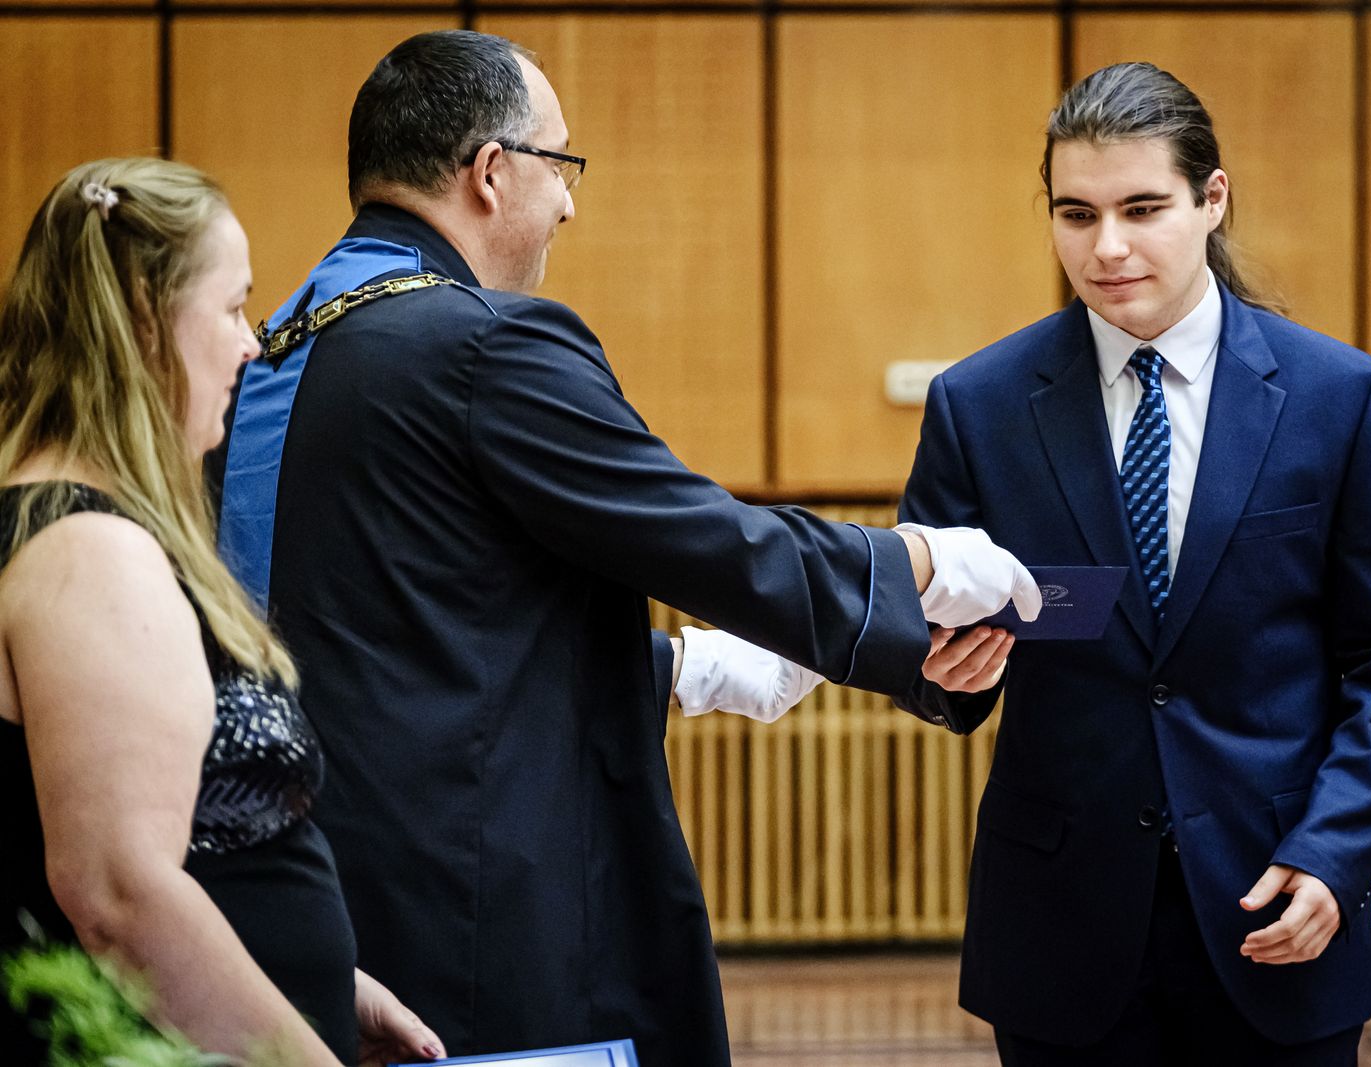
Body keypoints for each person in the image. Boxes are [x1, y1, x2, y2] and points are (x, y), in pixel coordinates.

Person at [209, 30, 1038, 1067]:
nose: (568, 204)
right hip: (483, 932)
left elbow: (384, 638)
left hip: (310, 910)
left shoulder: (269, 355)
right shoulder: (485, 343)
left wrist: (680, 669)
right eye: (560, 165)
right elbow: (705, 536)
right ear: (492, 171)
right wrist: (918, 567)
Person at [896, 62, 1371, 1065]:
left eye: (1142, 208)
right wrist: (937, 672)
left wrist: (1334, 851)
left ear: (1212, 199)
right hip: (1062, 923)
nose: (1106, 246)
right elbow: (936, 656)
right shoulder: (977, 405)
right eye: (1076, 214)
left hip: (1275, 897)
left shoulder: (1339, 395)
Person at [0, 158, 443, 1066]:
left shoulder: (78, 527)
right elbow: (119, 895)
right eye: (233, 307)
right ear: (144, 317)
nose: (251, 345)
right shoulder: (88, 552)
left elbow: (196, 851)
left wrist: (329, 982)